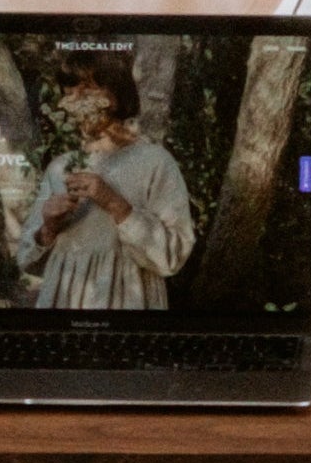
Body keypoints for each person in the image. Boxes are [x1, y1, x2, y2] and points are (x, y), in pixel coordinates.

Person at [23, 61, 197, 309]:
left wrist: (115, 203)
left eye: (88, 90)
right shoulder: (61, 167)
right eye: (70, 92)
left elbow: (171, 257)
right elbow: (29, 261)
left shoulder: (155, 161)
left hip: (127, 304)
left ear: (116, 95)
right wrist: (48, 229)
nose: (77, 101)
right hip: (64, 304)